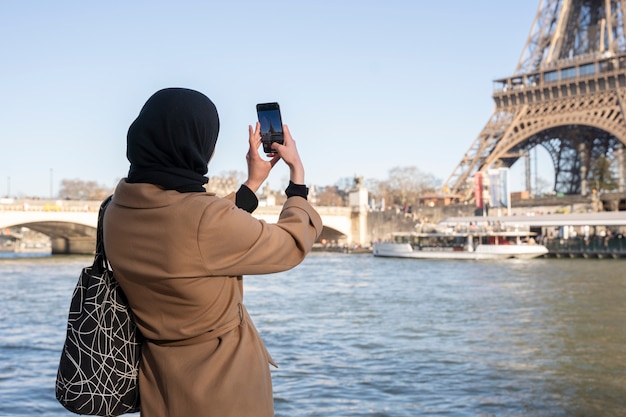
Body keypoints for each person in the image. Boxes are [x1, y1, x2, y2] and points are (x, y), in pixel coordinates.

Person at [103, 88, 323, 417]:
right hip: (223, 384)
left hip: (159, 381)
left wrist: (251, 186)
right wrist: (298, 181)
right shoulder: (204, 220)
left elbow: (187, 235)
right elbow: (290, 244)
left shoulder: (116, 209)